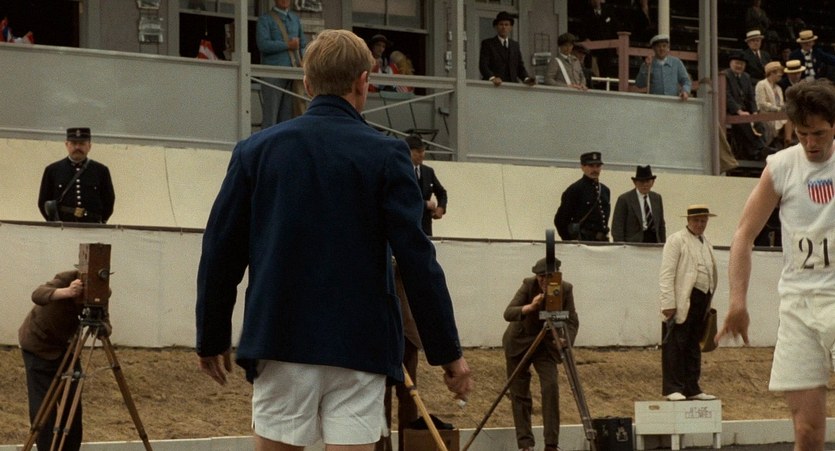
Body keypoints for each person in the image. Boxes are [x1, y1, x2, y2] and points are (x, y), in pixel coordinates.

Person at [194, 29, 472, 451]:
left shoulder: (255, 151)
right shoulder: (387, 155)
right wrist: (448, 353)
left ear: (307, 83)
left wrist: (211, 336)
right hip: (359, 342)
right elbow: (418, 262)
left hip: (280, 336)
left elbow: (221, 252)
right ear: (364, 81)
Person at [718, 80, 835, 450]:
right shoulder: (781, 167)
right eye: (802, 134)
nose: (811, 143)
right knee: (806, 432)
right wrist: (737, 302)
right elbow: (743, 235)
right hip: (798, 305)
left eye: (819, 134)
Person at [19, 270, 110, 451]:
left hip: (67, 350)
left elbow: (106, 322)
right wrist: (67, 292)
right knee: (44, 407)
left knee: (72, 403)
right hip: (38, 346)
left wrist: (102, 328)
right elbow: (37, 295)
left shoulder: (102, 292)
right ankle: (47, 447)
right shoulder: (67, 278)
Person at [503, 257, 578, 451]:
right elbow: (508, 313)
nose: (543, 281)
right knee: (520, 394)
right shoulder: (528, 285)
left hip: (545, 345)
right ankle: (525, 445)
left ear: (557, 276)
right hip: (519, 343)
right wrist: (530, 307)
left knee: (550, 387)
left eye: (548, 276)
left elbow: (572, 321)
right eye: (540, 277)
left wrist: (566, 340)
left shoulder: (565, 289)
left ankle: (551, 444)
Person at [659, 204, 718, 402]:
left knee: (693, 344)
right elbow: (667, 273)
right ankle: (673, 387)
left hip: (702, 299)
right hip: (683, 298)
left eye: (703, 221)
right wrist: (668, 303)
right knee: (675, 343)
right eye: (696, 220)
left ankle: (692, 387)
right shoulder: (676, 240)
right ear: (688, 220)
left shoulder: (706, 242)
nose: (700, 224)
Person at [374, 260, 421, 451]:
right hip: (379, 334)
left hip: (406, 334)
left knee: (409, 396)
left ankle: (407, 446)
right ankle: (380, 447)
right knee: (379, 398)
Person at [37, 127, 115, 223]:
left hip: (91, 227)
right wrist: (54, 223)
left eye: (82, 144)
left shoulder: (101, 171)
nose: (77, 147)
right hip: (62, 226)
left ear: (89, 146)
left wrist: (99, 222)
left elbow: (109, 201)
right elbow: (43, 202)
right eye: (73, 143)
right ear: (66, 145)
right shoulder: (52, 170)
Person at [256, 0, 307, 127]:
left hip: (292, 73)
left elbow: (303, 44)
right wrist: (287, 45)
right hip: (273, 73)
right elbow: (263, 44)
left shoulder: (295, 19)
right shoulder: (265, 19)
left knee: (288, 117)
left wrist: (304, 61)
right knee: (271, 116)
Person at [554, 152, 610, 242]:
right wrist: (569, 241)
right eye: (591, 166)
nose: (595, 169)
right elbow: (560, 220)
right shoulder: (575, 189)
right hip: (582, 241)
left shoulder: (604, 190)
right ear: (582, 167)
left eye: (598, 166)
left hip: (602, 241)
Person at [725, 50, 769, 160]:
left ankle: (757, 150)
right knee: (744, 121)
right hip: (730, 110)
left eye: (742, 64)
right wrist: (739, 111)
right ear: (731, 63)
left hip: (746, 111)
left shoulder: (746, 77)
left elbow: (751, 97)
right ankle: (759, 148)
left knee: (758, 122)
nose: (739, 66)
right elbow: (727, 97)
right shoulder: (725, 75)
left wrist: (754, 112)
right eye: (737, 63)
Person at [611, 165, 666, 243]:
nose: (645, 185)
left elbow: (661, 225)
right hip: (633, 243)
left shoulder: (657, 198)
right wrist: (621, 246)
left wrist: (663, 244)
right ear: (635, 183)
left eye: (648, 181)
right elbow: (617, 226)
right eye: (641, 182)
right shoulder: (624, 199)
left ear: (653, 182)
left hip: (654, 241)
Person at [479, 11, 535, 86]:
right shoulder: (488, 44)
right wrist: (492, 78)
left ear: (510, 28)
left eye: (506, 24)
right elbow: (483, 65)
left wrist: (526, 79)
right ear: (496, 27)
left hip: (511, 86)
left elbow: (520, 67)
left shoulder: (515, 45)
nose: (504, 27)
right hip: (494, 86)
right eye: (501, 24)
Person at [406, 134, 447, 236]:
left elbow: (441, 192)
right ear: (408, 152)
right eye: (418, 152)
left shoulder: (428, 171)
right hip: (407, 224)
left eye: (423, 151)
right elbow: (402, 197)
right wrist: (425, 204)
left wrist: (441, 207)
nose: (422, 155)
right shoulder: (401, 172)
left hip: (425, 227)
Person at [634, 34, 691, 99]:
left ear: (668, 47)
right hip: (654, 102)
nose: (662, 49)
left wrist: (685, 91)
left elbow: (686, 81)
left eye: (664, 46)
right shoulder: (648, 64)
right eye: (658, 46)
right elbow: (639, 84)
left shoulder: (676, 62)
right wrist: (645, 68)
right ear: (653, 48)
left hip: (672, 102)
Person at [578, 0, 620, 78]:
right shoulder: (586, 13)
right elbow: (582, 29)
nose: (595, 1)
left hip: (607, 48)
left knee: (606, 71)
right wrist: (585, 38)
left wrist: (617, 43)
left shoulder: (608, 11)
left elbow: (615, 28)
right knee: (592, 72)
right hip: (592, 49)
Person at [755, 61, 789, 147]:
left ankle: (787, 142)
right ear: (772, 73)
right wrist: (777, 109)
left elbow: (781, 103)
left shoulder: (778, 88)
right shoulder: (761, 84)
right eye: (779, 72)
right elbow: (762, 103)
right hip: (766, 115)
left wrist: (783, 107)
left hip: (778, 115)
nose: (781, 75)